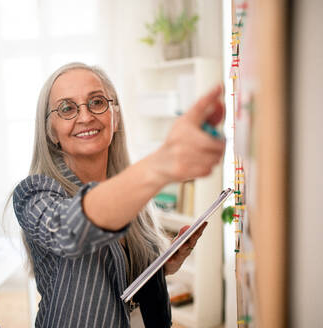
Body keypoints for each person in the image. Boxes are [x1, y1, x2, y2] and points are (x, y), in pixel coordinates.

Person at [12, 62, 225, 327]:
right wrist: (161, 163)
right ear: (51, 131)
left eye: (97, 102)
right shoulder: (33, 193)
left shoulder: (127, 190)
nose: (86, 116)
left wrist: (164, 266)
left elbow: (123, 285)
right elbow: (69, 231)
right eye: (67, 108)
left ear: (115, 116)